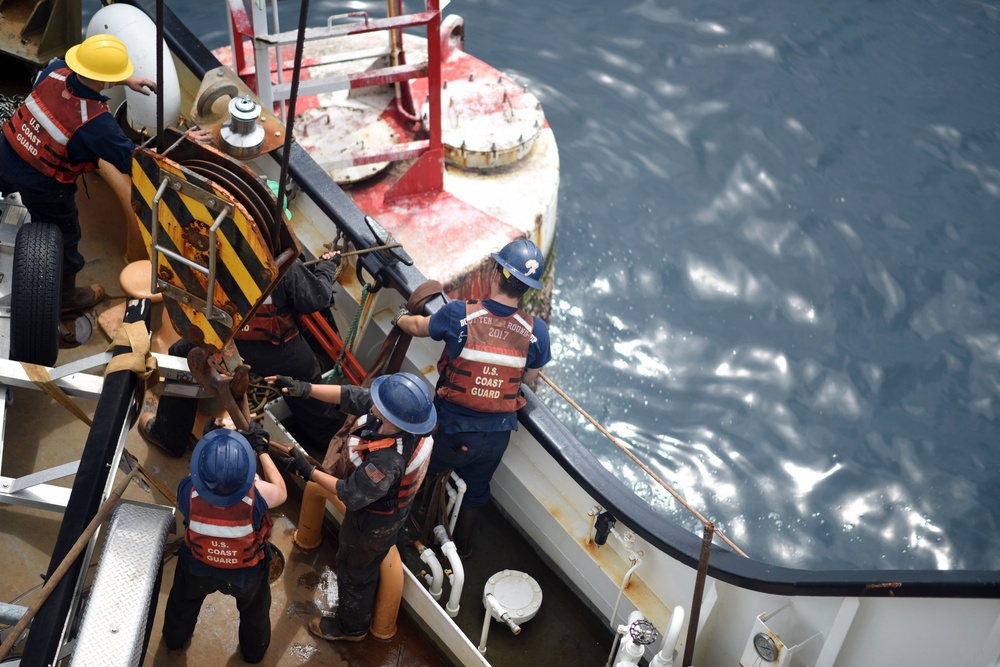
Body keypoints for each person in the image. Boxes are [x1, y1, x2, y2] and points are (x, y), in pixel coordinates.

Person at [0, 34, 209, 312]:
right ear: (102, 79)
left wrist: (125, 81)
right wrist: (183, 142)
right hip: (43, 184)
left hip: (6, 151)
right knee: (65, 237)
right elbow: (136, 163)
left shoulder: (55, 71)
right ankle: (65, 300)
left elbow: (86, 76)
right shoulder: (96, 125)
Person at [392, 238, 551, 557]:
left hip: (450, 430)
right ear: (526, 289)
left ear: (495, 273)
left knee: (413, 465)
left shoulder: (458, 315)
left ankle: (395, 532)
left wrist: (400, 319)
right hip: (496, 437)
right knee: (477, 491)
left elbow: (420, 326)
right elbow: (529, 376)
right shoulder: (538, 332)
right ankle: (463, 547)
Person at [271, 372, 436, 642]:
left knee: (354, 571)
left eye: (379, 405)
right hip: (397, 510)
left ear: (393, 418)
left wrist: (306, 470)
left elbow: (350, 494)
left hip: (371, 523)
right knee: (381, 552)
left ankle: (351, 628)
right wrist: (304, 388)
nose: (372, 405)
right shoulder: (409, 420)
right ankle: (389, 566)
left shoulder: (388, 461)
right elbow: (353, 396)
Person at [139, 252, 346, 456]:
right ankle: (326, 442)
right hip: (281, 351)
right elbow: (316, 298)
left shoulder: (211, 251)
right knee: (304, 383)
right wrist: (327, 267)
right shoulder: (282, 261)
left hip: (227, 342)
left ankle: (170, 437)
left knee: (180, 355)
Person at [161, 426, 286, 663]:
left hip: (197, 566)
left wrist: (211, 445)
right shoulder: (258, 495)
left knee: (182, 603)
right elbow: (281, 491)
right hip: (246, 574)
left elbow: (193, 477)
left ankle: (174, 639)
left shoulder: (188, 490)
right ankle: (253, 653)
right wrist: (262, 452)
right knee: (254, 613)